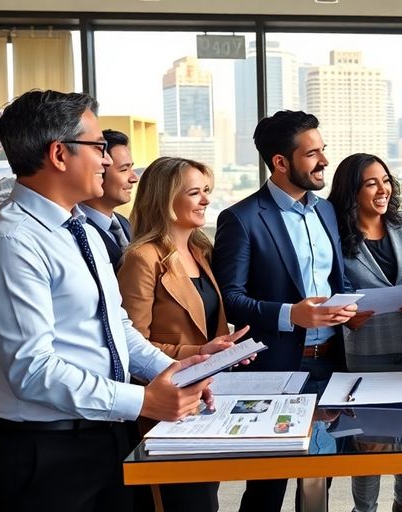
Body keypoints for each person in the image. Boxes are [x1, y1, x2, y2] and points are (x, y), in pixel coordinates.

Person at [0, 90, 235, 512]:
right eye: (99, 147)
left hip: (100, 435)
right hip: (42, 455)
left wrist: (171, 370)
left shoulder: (79, 228)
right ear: (59, 155)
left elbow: (114, 326)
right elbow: (33, 370)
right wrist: (142, 401)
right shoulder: (9, 245)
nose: (107, 160)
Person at [212, 110, 357, 512]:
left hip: (331, 367)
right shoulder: (241, 219)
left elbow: (336, 284)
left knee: (319, 480)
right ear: (280, 162)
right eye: (313, 154)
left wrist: (349, 306)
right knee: (266, 487)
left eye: (322, 150)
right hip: (275, 370)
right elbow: (231, 298)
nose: (324, 161)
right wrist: (291, 314)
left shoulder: (326, 211)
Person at [117, 156, 236, 511]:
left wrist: (225, 350)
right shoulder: (141, 258)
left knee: (205, 499)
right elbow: (129, 345)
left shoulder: (202, 250)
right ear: (166, 199)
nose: (206, 201)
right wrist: (198, 350)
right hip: (165, 409)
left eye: (207, 192)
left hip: (206, 399)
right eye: (195, 193)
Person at [327, 153, 402, 512]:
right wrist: (344, 317)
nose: (383, 189)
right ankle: (365, 508)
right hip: (366, 347)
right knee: (370, 437)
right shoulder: (336, 233)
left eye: (386, 180)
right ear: (352, 190)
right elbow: (328, 290)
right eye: (372, 183)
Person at [80, 128, 137, 271]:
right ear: (98, 171)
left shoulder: (125, 224)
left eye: (131, 168)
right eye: (124, 170)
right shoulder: (77, 230)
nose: (134, 178)